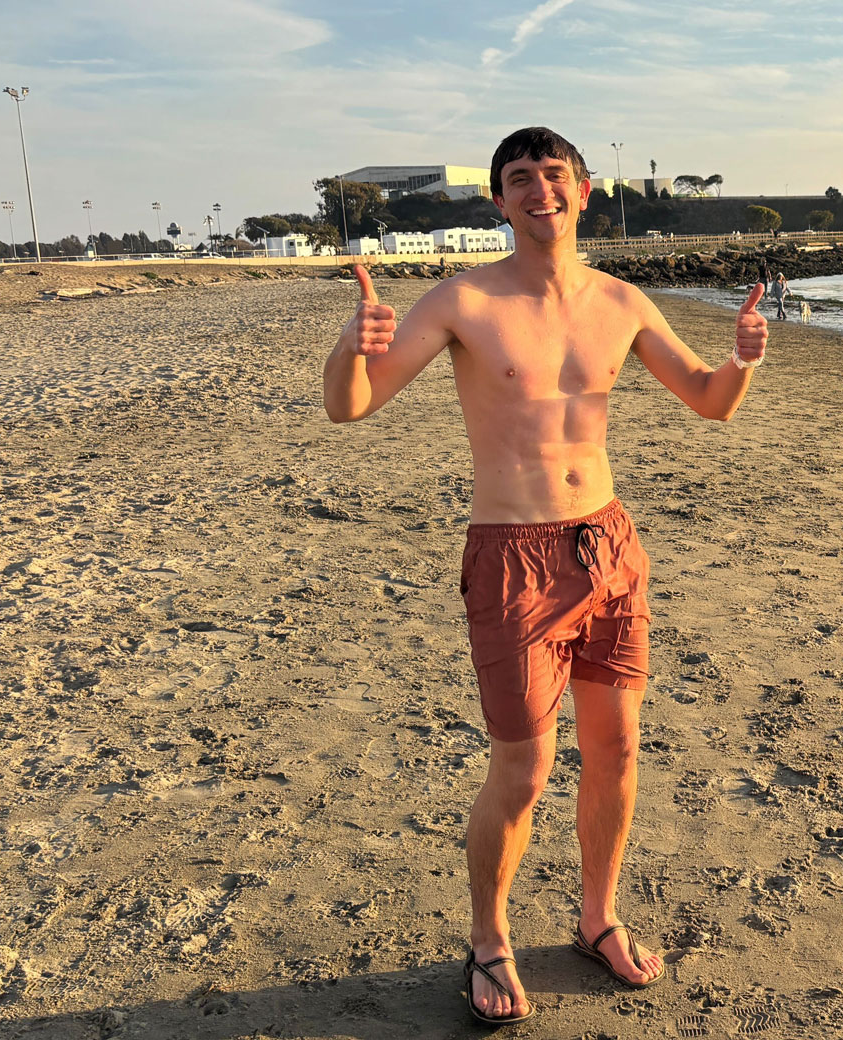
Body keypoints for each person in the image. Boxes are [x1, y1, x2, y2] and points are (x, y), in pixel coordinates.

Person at [322, 126, 768, 1027]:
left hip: (608, 546)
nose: (539, 191)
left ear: (585, 188)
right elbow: (352, 407)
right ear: (499, 200)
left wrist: (744, 359)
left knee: (617, 750)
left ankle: (596, 918)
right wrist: (350, 346)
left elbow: (712, 404)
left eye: (552, 174)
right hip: (513, 556)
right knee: (523, 769)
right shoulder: (461, 301)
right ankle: (489, 937)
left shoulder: (624, 301)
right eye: (518, 179)